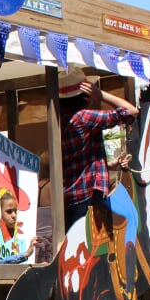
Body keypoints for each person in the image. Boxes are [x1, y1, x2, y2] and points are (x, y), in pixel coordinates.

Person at [59, 65, 138, 225]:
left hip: (72, 196)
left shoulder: (62, 119)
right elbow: (131, 112)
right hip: (88, 196)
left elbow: (78, 162)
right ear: (85, 95)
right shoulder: (82, 117)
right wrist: (100, 95)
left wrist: (108, 165)